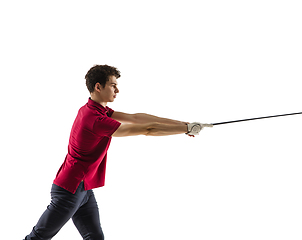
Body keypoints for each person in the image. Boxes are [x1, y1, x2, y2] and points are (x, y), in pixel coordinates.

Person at [24, 65, 211, 240]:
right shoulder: (95, 120)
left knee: (96, 238)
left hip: (84, 188)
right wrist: (184, 129)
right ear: (98, 87)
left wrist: (184, 125)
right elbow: (147, 129)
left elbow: (136, 117)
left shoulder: (95, 109)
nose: (117, 90)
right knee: (37, 237)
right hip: (70, 190)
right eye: (113, 85)